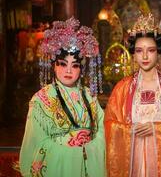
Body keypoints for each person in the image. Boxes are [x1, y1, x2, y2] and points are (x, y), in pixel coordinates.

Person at [104, 14, 161, 177]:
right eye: (139, 51)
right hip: (132, 161)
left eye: (150, 50)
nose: (145, 56)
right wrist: (129, 130)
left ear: (158, 52)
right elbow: (110, 124)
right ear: (133, 53)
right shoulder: (122, 88)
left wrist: (156, 129)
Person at [19, 17, 105, 177]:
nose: (69, 71)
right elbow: (38, 141)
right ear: (53, 65)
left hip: (88, 165)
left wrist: (92, 148)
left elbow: (102, 129)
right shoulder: (41, 99)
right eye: (63, 64)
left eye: (75, 65)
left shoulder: (89, 95)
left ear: (82, 69)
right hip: (57, 168)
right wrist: (70, 154)